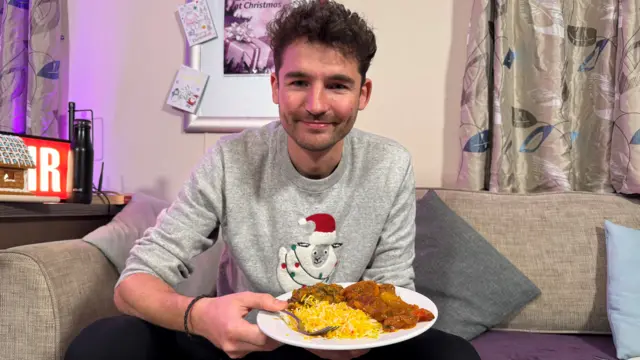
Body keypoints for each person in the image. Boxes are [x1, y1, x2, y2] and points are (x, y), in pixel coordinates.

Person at [65, 1, 481, 359]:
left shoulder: (390, 164)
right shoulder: (230, 159)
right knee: (104, 343)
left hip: (352, 348)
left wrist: (356, 338)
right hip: (248, 344)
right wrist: (199, 315)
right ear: (275, 87)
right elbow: (133, 284)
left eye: (337, 85)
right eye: (299, 82)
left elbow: (392, 288)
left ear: (363, 94)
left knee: (453, 354)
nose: (316, 105)